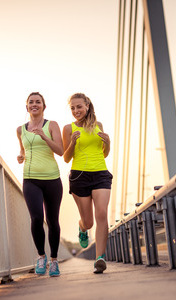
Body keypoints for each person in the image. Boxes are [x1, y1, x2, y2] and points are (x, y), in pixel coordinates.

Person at [62, 92, 112, 274]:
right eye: (73, 108)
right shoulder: (68, 128)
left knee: (101, 213)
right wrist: (72, 143)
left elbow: (104, 153)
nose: (76, 110)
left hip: (100, 173)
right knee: (89, 222)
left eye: (79, 107)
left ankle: (100, 258)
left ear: (87, 106)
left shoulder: (98, 125)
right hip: (79, 177)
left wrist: (108, 144)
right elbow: (66, 158)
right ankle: (82, 228)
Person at [16, 92, 64, 277]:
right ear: (26, 107)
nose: (34, 104)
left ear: (44, 106)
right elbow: (23, 150)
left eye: (38, 102)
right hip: (30, 179)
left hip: (52, 178)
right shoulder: (20, 130)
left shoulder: (52, 125)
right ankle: (41, 257)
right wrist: (21, 156)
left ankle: (53, 261)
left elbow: (60, 151)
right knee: (36, 218)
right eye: (31, 102)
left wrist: (44, 136)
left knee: (52, 221)